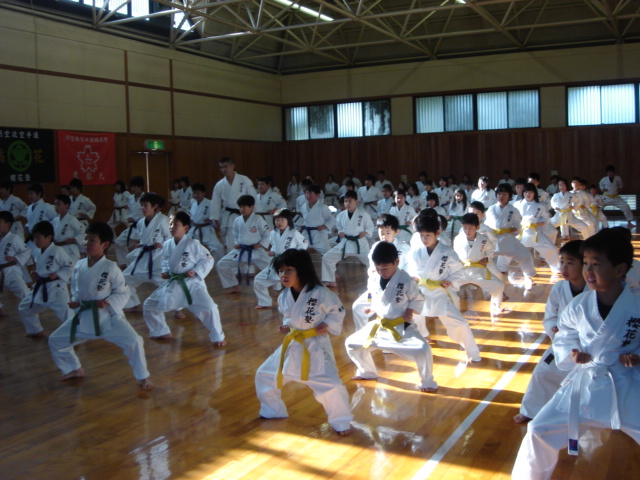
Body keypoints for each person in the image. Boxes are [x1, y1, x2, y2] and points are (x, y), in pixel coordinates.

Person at [512, 229, 640, 480]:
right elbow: (565, 334)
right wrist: (573, 353)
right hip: (586, 383)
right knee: (538, 430)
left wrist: (637, 356)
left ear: (620, 269)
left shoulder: (636, 305)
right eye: (586, 263)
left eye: (596, 264)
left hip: (627, 384)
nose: (588, 271)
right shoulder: (579, 305)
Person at [255, 249, 352, 435]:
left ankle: (342, 423)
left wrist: (327, 324)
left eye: (289, 270)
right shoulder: (284, 295)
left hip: (314, 345)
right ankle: (273, 410)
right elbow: (288, 315)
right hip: (293, 343)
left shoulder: (322, 293)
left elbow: (338, 311)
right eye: (280, 271)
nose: (283, 275)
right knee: (264, 374)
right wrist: (287, 326)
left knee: (332, 385)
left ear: (302, 269)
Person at [47, 222, 154, 390]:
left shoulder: (110, 267)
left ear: (104, 245)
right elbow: (75, 290)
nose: (86, 243)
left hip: (108, 317)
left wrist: (108, 302)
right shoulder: (79, 265)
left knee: (134, 341)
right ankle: (73, 369)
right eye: (85, 239)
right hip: (84, 317)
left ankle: (143, 377)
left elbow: (123, 292)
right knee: (55, 340)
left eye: (92, 240)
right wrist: (76, 302)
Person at [345, 242, 438, 392]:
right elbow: (373, 296)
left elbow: (418, 299)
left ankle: (427, 382)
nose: (381, 272)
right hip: (379, 326)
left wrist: (410, 310)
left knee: (423, 349)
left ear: (397, 262)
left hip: (401, 327)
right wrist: (371, 308)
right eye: (378, 268)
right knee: (351, 343)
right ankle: (367, 371)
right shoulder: (374, 278)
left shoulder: (406, 280)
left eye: (385, 268)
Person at [514, 240, 586, 425]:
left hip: (587, 345)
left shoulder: (593, 289)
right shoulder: (559, 288)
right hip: (563, 341)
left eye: (570, 263)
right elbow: (550, 316)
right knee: (542, 372)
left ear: (584, 264)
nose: (564, 267)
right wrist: (553, 328)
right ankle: (531, 411)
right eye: (562, 262)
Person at [142, 211, 226, 346]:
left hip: (191, 284)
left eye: (176, 224)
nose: (172, 227)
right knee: (149, 305)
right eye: (170, 224)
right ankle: (161, 331)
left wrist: (196, 271)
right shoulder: (168, 244)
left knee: (210, 307)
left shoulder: (193, 244)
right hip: (174, 283)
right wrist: (165, 271)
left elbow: (208, 259)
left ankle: (218, 337)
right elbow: (165, 260)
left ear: (186, 228)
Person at [408, 215, 481, 362]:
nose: (424, 239)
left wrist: (450, 281)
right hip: (420, 294)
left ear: (437, 233)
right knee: (411, 321)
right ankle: (418, 346)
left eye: (428, 235)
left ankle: (473, 353)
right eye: (422, 236)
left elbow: (458, 271)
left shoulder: (447, 252)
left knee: (461, 323)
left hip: (439, 293)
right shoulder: (415, 251)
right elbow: (411, 270)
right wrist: (413, 278)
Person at [18, 221, 74, 336]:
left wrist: (58, 274)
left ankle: (73, 336)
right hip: (41, 286)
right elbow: (44, 269)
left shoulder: (58, 250)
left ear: (49, 237)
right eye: (34, 238)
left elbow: (70, 266)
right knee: (25, 307)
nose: (35, 241)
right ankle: (35, 330)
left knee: (66, 314)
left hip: (57, 288)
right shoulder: (37, 251)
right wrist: (38, 273)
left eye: (38, 238)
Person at [122, 193, 171, 311]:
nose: (143, 208)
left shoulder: (163, 220)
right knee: (124, 279)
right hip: (144, 256)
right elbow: (144, 240)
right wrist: (139, 244)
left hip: (159, 257)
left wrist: (161, 245)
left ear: (155, 206)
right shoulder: (140, 222)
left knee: (169, 283)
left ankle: (177, 309)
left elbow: (170, 239)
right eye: (142, 205)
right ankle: (134, 304)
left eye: (145, 205)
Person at [216, 194, 271, 294]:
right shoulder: (237, 220)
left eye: (244, 207)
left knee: (273, 267)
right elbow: (235, 234)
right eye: (240, 207)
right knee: (221, 264)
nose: (242, 209)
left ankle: (278, 289)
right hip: (241, 250)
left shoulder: (258, 219)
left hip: (256, 251)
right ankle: (234, 286)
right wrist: (237, 243)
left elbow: (267, 233)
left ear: (252, 207)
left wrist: (261, 244)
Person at [254, 209, 308, 309]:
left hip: (290, 263)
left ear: (288, 221)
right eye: (277, 220)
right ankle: (264, 302)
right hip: (277, 262)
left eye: (282, 220)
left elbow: (304, 243)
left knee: (293, 284)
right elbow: (274, 245)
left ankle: (300, 303)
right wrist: (273, 252)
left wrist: (293, 254)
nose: (279, 222)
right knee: (258, 280)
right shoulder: (273, 233)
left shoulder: (294, 233)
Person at [453, 213, 506, 313]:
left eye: (470, 228)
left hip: (479, 270)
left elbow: (490, 250)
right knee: (447, 287)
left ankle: (495, 306)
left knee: (499, 285)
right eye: (465, 228)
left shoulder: (484, 239)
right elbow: (454, 255)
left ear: (477, 227)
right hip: (462, 271)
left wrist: (486, 258)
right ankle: (449, 307)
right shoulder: (458, 239)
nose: (467, 231)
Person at [485, 184, 536, 284]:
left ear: (509, 196)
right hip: (493, 239)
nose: (501, 196)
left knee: (525, 254)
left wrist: (515, 229)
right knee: (480, 256)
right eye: (499, 194)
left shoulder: (513, 210)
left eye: (504, 194)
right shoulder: (491, 209)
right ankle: (481, 277)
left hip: (507, 237)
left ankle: (528, 275)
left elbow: (517, 223)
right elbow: (488, 224)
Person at [321, 190, 373, 287]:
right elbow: (339, 226)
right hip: (346, 243)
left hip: (360, 244)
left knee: (373, 262)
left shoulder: (363, 214)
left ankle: (376, 281)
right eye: (345, 201)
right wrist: (340, 232)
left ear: (356, 202)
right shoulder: (341, 215)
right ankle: (331, 280)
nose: (347, 203)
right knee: (327, 257)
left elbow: (370, 226)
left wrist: (365, 232)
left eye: (350, 201)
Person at [210, 157, 258, 250]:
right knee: (231, 244)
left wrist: (256, 214)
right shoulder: (219, 185)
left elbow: (254, 198)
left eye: (226, 166)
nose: (224, 169)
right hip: (229, 217)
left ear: (232, 166)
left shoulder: (245, 180)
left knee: (248, 242)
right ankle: (233, 258)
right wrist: (215, 218)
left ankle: (246, 259)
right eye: (221, 167)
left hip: (246, 215)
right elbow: (215, 202)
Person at [516, 183, 561, 274]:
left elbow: (546, 217)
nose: (528, 194)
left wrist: (541, 222)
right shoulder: (518, 204)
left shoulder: (540, 205)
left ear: (534, 193)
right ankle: (504, 268)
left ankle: (556, 267)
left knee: (551, 248)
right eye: (526, 192)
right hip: (522, 232)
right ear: (523, 193)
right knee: (518, 252)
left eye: (530, 192)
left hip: (535, 232)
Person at [0, 211, 30, 317]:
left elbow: (26, 251)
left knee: (24, 292)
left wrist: (15, 258)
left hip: (12, 272)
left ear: (8, 224)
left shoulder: (14, 238)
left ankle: (32, 308)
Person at [188, 183, 224, 262]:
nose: (196, 195)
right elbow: (191, 217)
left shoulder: (210, 203)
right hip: (194, 229)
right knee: (185, 244)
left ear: (204, 193)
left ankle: (218, 265)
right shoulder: (193, 203)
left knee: (218, 247)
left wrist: (212, 219)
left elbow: (218, 216)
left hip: (207, 229)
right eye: (194, 193)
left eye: (198, 193)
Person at [114, 176, 145, 267]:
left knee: (144, 247)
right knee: (118, 242)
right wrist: (131, 217)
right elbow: (131, 211)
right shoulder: (131, 198)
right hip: (133, 226)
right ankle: (124, 263)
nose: (133, 189)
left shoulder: (146, 197)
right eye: (132, 187)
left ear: (140, 186)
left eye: (135, 186)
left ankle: (141, 264)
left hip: (144, 227)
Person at [299, 184, 334, 255]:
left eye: (310, 194)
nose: (308, 196)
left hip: (319, 235)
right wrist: (304, 225)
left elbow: (332, 219)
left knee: (329, 254)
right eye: (306, 193)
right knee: (299, 251)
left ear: (317, 195)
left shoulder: (323, 207)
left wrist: (323, 226)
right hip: (306, 234)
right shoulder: (304, 207)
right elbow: (306, 219)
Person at [550, 177, 588, 241]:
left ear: (566, 186)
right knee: (548, 226)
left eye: (563, 185)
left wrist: (574, 206)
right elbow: (552, 202)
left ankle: (587, 240)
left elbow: (578, 201)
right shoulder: (556, 195)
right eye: (560, 185)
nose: (562, 187)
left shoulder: (571, 195)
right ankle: (565, 236)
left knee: (584, 226)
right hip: (559, 215)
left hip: (569, 214)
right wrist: (555, 207)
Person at [25, 183, 56, 257]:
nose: (29, 196)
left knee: (42, 256)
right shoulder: (29, 208)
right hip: (32, 239)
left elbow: (56, 220)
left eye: (31, 193)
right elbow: (29, 223)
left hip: (43, 238)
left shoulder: (47, 207)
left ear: (39, 194)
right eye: (29, 194)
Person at [52, 194, 85, 264]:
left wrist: (74, 239)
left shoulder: (72, 219)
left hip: (69, 249)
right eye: (55, 204)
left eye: (58, 204)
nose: (56, 206)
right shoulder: (55, 220)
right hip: (58, 249)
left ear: (66, 206)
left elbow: (82, 231)